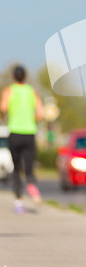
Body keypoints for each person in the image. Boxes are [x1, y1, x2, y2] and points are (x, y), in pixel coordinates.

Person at [0, 65, 44, 213]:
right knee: (29, 167)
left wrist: (4, 117)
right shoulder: (32, 91)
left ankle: (18, 203)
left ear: (13, 76)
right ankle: (32, 187)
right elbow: (40, 113)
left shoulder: (9, 90)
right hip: (29, 132)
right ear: (25, 76)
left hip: (15, 132)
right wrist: (32, 120)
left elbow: (3, 107)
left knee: (16, 168)